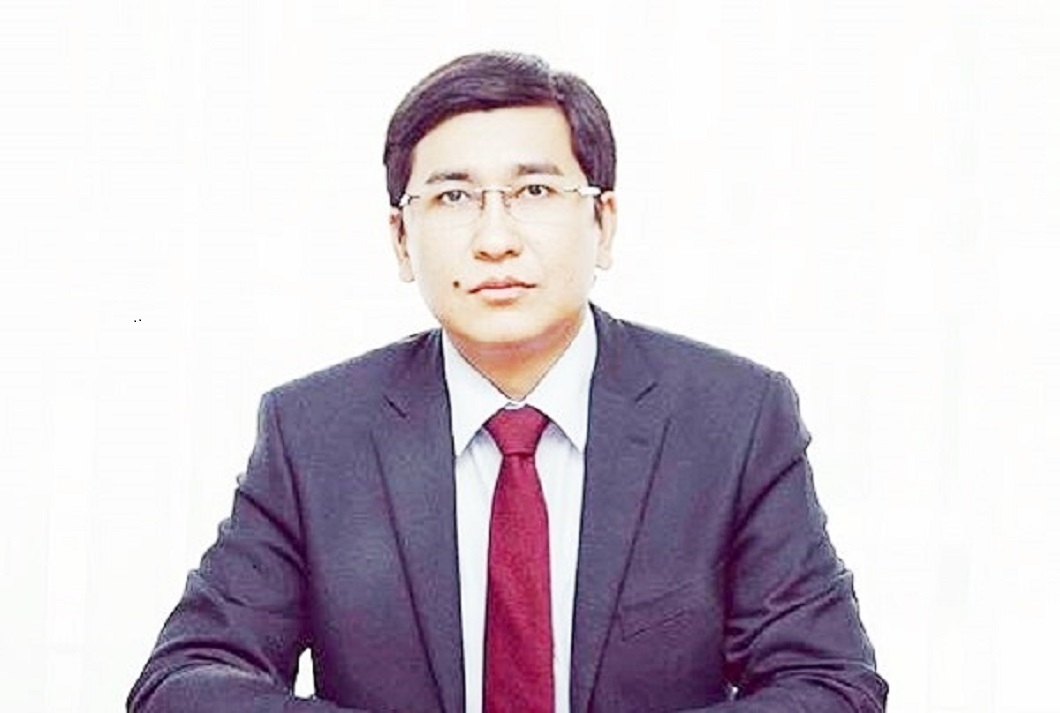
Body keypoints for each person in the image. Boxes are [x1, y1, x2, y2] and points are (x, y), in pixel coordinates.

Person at [128, 51, 887, 712]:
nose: (495, 239)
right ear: (401, 240)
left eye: (535, 192)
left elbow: (829, 684)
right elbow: (182, 681)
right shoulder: (316, 433)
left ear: (604, 223)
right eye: (453, 197)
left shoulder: (732, 418)